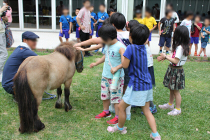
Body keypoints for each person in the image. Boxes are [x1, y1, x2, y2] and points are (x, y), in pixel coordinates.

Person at [107, 24, 161, 140]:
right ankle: (156, 135)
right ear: (146, 39)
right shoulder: (145, 47)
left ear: (130, 36)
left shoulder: (130, 48)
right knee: (146, 110)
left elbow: (125, 65)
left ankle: (120, 128)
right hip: (147, 83)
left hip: (136, 85)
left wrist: (123, 55)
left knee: (121, 107)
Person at [90, 24, 126, 125]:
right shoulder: (107, 45)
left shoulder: (120, 47)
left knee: (116, 98)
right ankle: (106, 112)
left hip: (116, 78)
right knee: (104, 95)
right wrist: (96, 63)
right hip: (105, 76)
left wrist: (116, 68)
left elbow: (125, 63)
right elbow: (106, 56)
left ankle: (117, 117)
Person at [158, 26, 189, 116]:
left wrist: (165, 56)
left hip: (176, 71)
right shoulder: (181, 46)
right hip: (173, 69)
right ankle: (170, 104)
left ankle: (178, 109)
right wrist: (166, 57)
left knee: (176, 91)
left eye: (175, 33)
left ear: (178, 35)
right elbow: (174, 57)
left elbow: (176, 61)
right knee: (171, 88)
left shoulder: (180, 47)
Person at [109, 12, 132, 120]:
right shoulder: (129, 34)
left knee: (116, 88)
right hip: (129, 65)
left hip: (116, 67)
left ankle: (114, 108)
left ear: (112, 25)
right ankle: (127, 113)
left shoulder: (113, 36)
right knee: (127, 89)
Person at [2, 31, 38, 96]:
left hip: (7, 85)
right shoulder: (24, 51)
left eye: (35, 40)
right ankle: (20, 94)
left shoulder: (19, 49)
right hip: (11, 86)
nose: (35, 42)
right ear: (25, 40)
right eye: (33, 40)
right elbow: (44, 61)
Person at [0, 5, 8, 82]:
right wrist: (1, 10)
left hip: (2, 31)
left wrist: (5, 19)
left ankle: (1, 72)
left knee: (1, 53)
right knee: (4, 54)